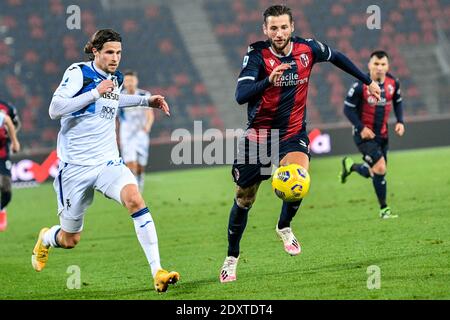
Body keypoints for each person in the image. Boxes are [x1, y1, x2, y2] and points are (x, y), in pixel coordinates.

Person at [219, 5, 382, 283]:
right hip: (259, 136)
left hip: (292, 133)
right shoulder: (257, 54)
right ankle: (232, 257)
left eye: (284, 27)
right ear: (265, 30)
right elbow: (240, 95)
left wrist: (367, 81)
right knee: (244, 198)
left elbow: (338, 57)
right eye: (273, 28)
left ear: (292, 26)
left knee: (298, 179)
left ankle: (284, 226)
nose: (279, 33)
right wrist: (268, 81)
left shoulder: (308, 49)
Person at [31, 29, 179, 293]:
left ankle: (157, 270)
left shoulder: (116, 78)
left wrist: (147, 101)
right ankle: (46, 237)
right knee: (70, 239)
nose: (115, 58)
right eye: (109, 52)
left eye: (119, 53)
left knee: (135, 199)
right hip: (75, 169)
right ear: (96, 51)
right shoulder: (78, 73)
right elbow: (55, 109)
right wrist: (94, 93)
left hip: (108, 163)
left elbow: (114, 100)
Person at [339, 50, 405, 219]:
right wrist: (361, 128)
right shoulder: (360, 85)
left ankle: (351, 166)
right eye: (376, 64)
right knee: (381, 168)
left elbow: (398, 102)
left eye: (383, 64)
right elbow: (347, 109)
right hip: (364, 136)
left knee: (375, 171)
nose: (380, 68)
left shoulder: (393, 83)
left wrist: (400, 121)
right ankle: (384, 209)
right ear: (369, 65)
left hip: (383, 135)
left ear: (388, 66)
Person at [117, 70, 154, 193]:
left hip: (141, 134)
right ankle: (134, 190)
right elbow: (115, 118)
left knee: (140, 166)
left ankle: (140, 179)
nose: (129, 83)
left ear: (136, 81)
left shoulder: (144, 95)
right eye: (127, 81)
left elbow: (150, 114)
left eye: (131, 80)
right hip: (126, 134)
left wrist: (147, 126)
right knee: (130, 163)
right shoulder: (119, 97)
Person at [0, 100, 21, 232]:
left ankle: (1, 209)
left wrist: (14, 142)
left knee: (6, 189)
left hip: (2, 153)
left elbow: (8, 121)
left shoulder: (5, 108)